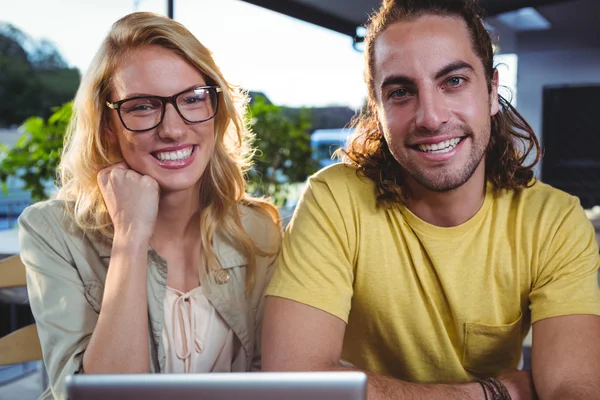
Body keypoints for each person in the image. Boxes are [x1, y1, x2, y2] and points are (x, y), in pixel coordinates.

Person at [261, 0, 600, 399]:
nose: (430, 117)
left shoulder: (553, 220)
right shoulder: (334, 199)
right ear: (378, 108)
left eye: (453, 81)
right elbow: (294, 381)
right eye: (401, 91)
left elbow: (574, 388)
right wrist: (487, 394)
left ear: (492, 91)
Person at [18, 12, 281, 400]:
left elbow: (276, 379)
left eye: (192, 99)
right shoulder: (50, 231)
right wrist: (130, 237)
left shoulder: (258, 228)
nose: (173, 129)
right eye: (142, 107)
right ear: (109, 126)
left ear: (216, 110)